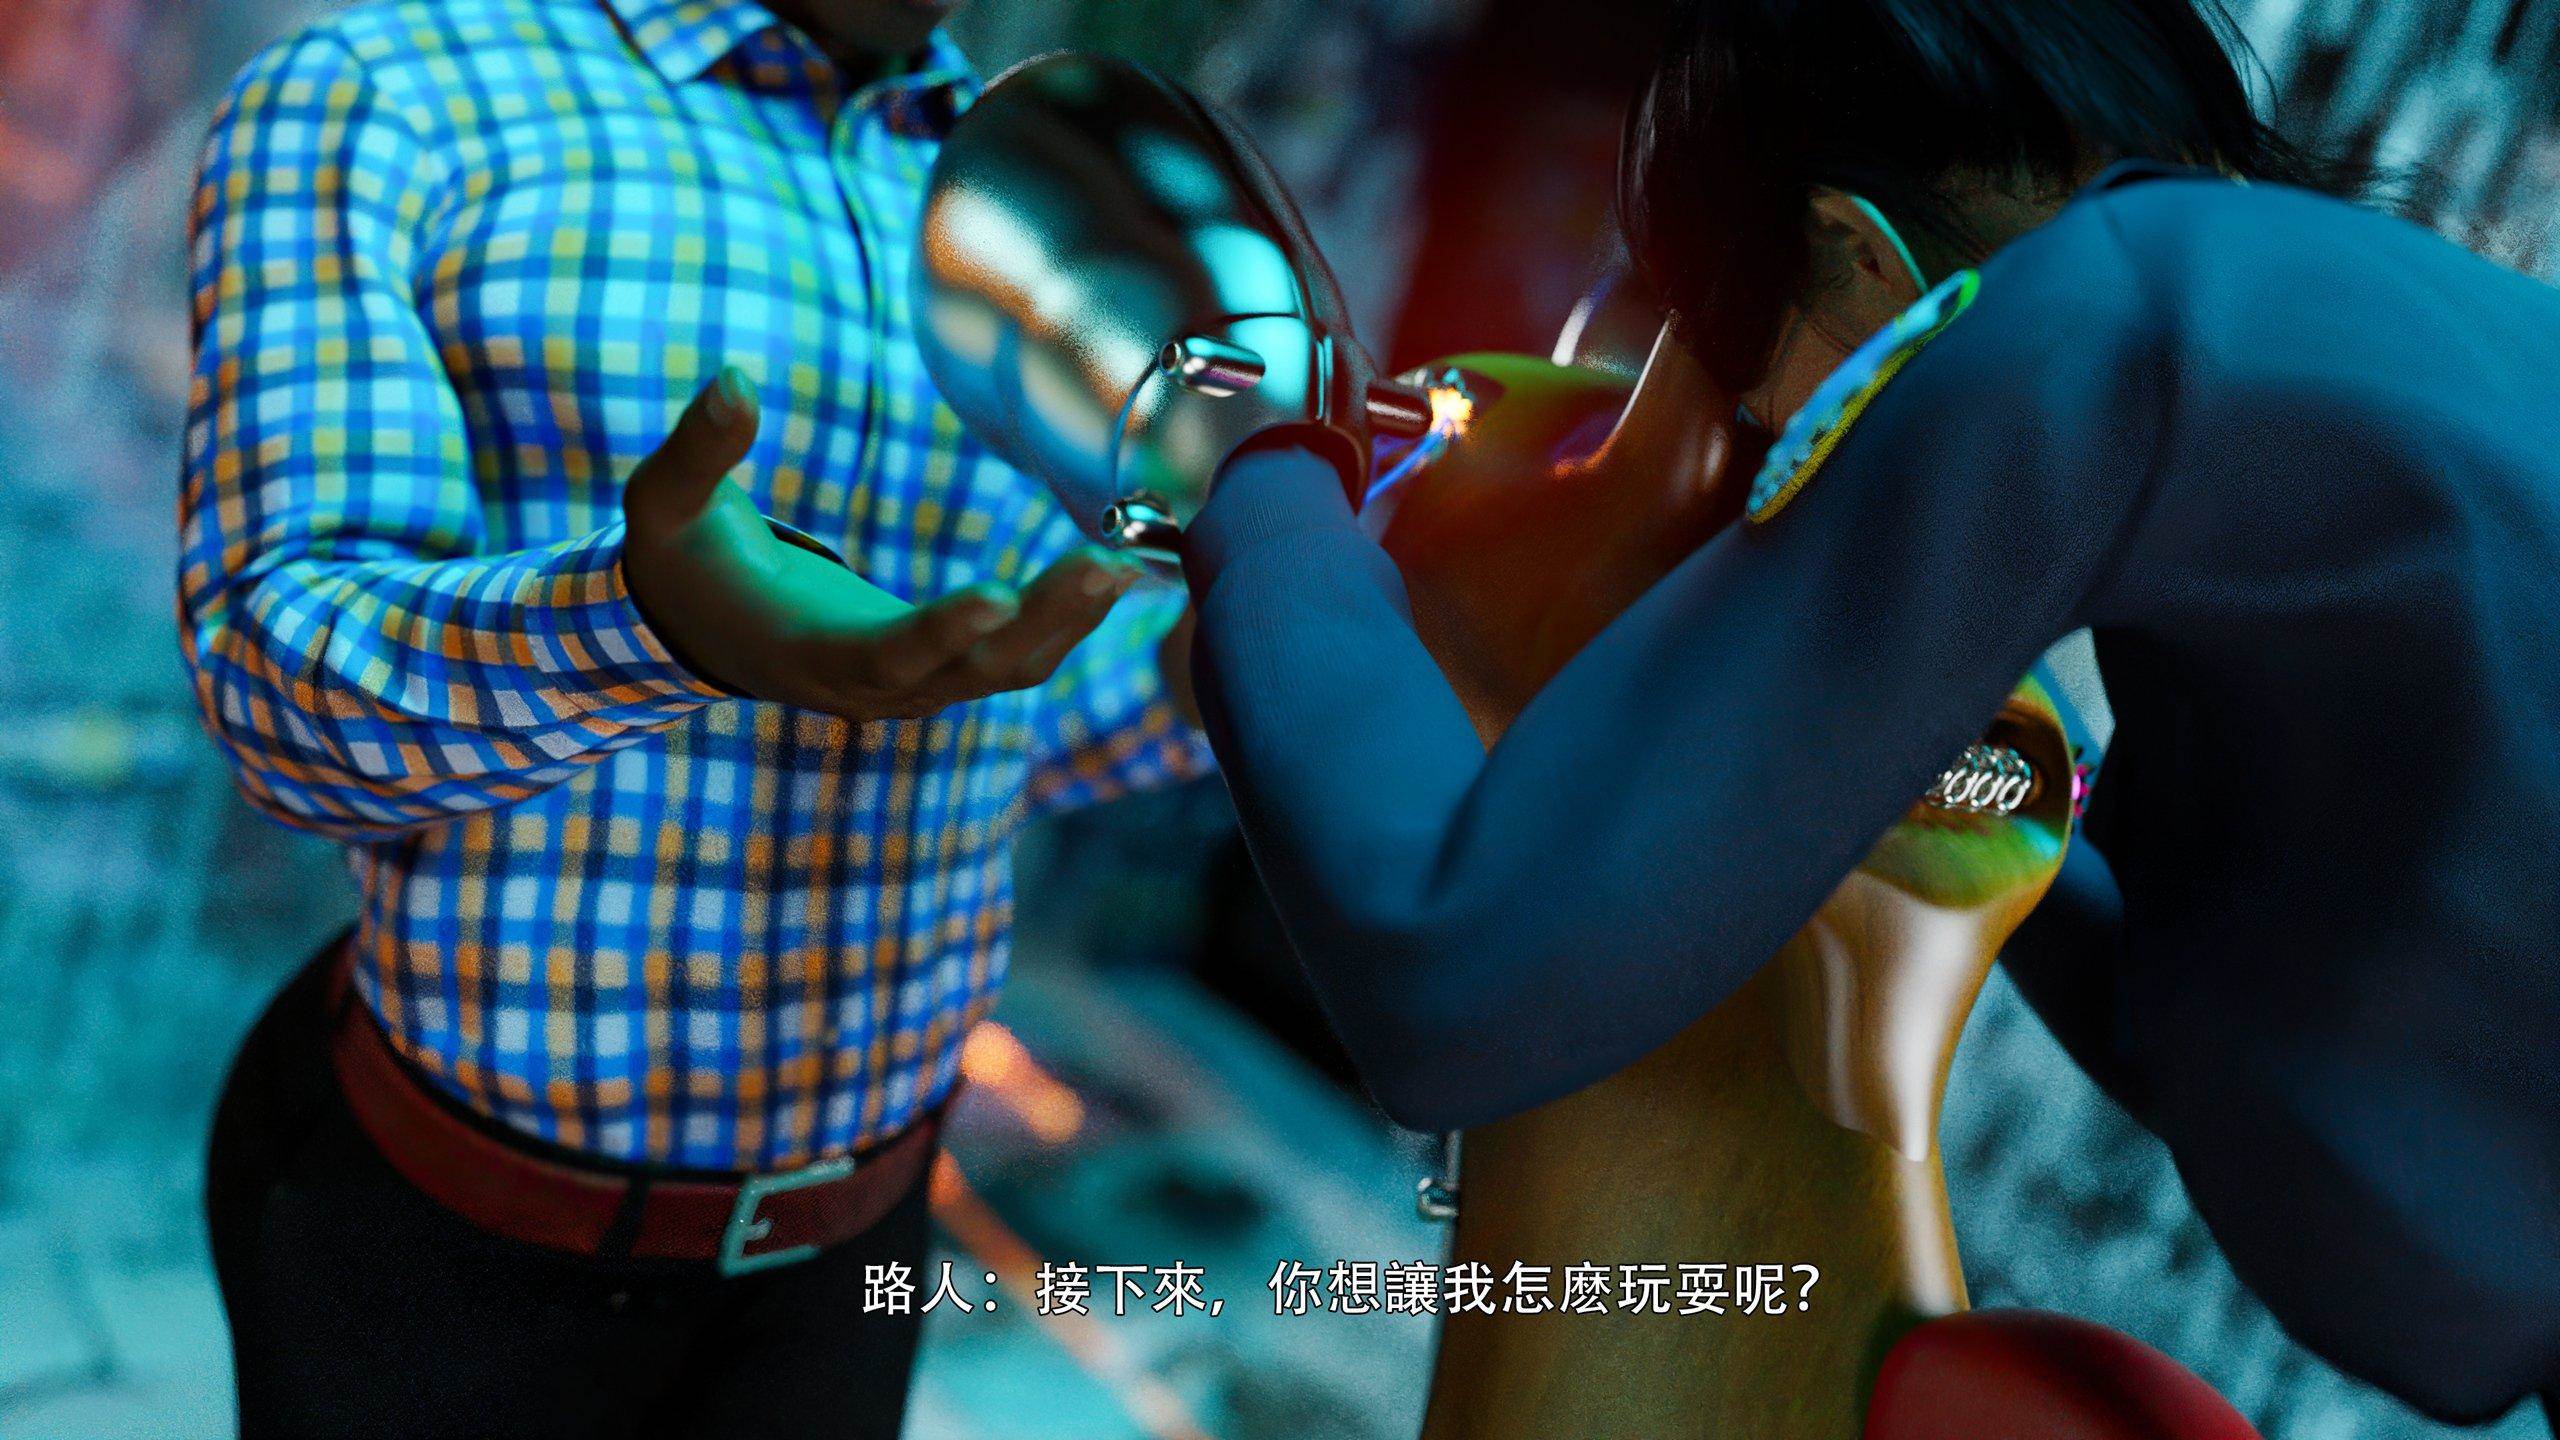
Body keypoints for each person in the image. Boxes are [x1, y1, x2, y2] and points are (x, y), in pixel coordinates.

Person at [1169, 0, 2560, 1427]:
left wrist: (1263, 475)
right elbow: (2303, 1036)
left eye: (1799, 449)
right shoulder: (2415, 340)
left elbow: (1449, 979)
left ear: (1853, 255)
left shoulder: (2087, 317)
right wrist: (1875, 753)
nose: (1808, 521)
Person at [178, 1, 1205, 1435]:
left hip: (850, 1255)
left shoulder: (1056, 203)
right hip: (452, 1244)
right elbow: (275, 700)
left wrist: (1222, 667)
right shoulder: (388, 97)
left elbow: (997, 724)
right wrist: (638, 624)